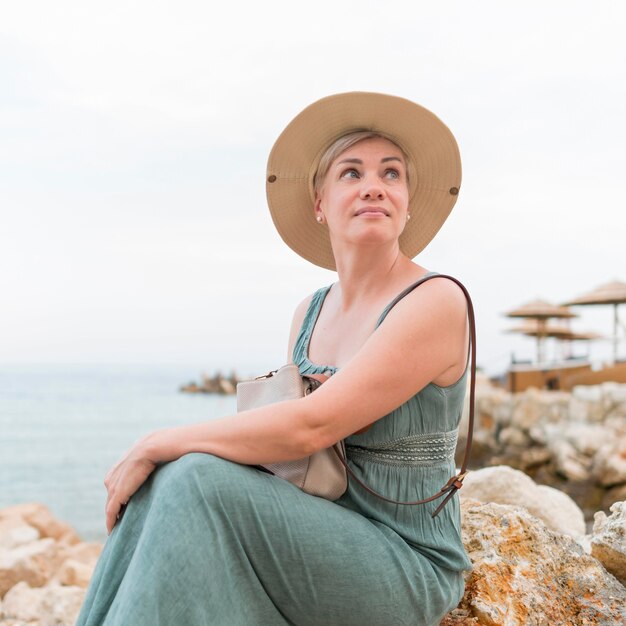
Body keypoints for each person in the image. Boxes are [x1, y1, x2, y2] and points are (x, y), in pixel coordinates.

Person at [77, 92, 473, 626]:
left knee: (190, 474)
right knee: (170, 478)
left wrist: (156, 441)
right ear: (319, 202)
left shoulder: (435, 301)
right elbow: (302, 465)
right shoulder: (309, 312)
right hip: (318, 535)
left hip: (407, 561)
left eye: (391, 174)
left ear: (406, 200)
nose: (374, 185)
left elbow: (312, 425)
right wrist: (166, 462)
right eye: (351, 173)